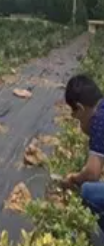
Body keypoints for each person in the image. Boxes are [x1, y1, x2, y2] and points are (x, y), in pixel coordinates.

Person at [62, 74, 104, 231]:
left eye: (75, 114)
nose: (75, 118)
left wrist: (74, 178)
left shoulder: (100, 120)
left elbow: (92, 173)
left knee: (87, 191)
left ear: (80, 108)